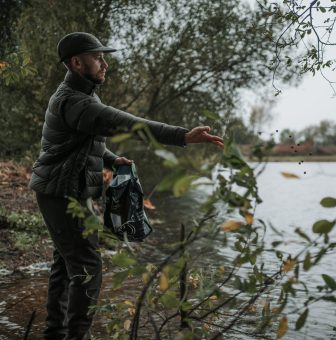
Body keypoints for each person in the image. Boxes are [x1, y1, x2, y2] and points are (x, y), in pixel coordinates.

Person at [28, 32, 224, 340]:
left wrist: (109, 159)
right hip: (61, 193)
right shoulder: (75, 101)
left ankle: (56, 333)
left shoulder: (84, 95)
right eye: (97, 57)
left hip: (64, 191)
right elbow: (129, 123)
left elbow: (79, 143)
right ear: (77, 63)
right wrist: (183, 136)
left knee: (66, 265)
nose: (105, 63)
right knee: (87, 266)